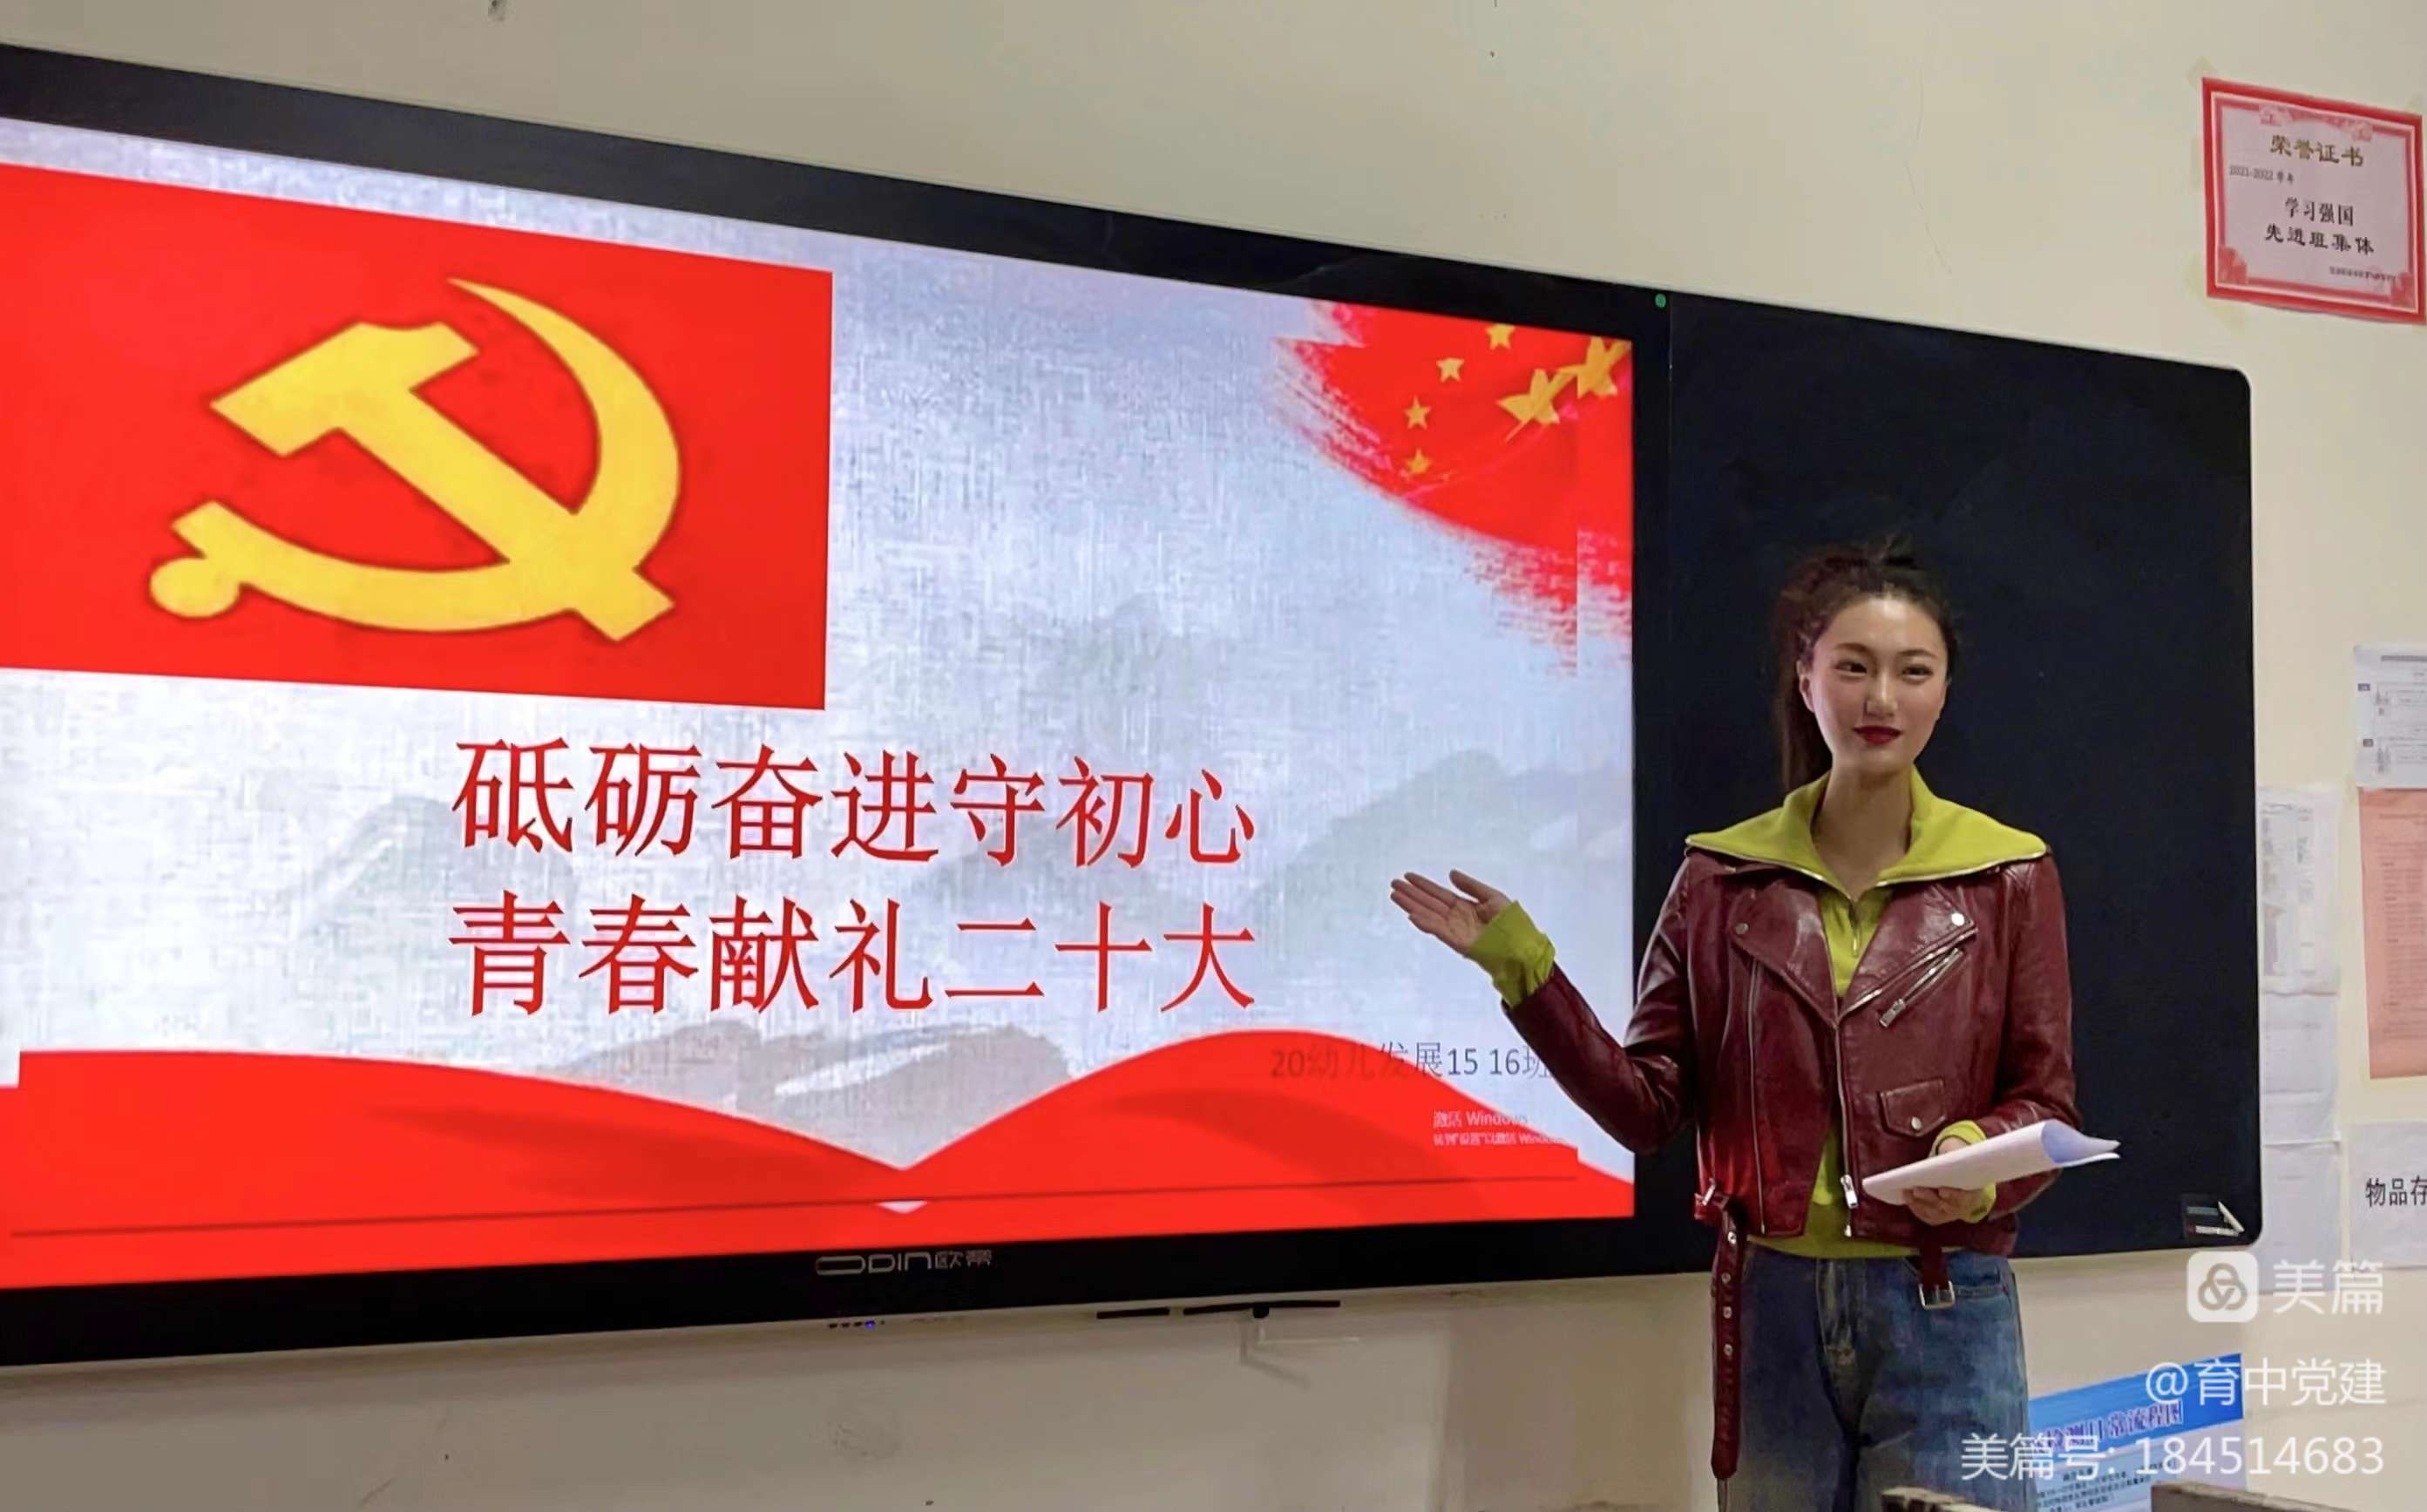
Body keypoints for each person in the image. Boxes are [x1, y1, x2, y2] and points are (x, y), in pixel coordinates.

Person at [1390, 540, 2078, 1511]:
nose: (1881, 696)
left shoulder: (2007, 873)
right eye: (1853, 666)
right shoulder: (1720, 877)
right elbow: (1645, 1108)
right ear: (1806, 677)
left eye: (1912, 671)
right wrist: (1524, 970)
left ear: (1942, 690)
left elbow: (2046, 1103)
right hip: (1769, 1305)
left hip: (1945, 1299)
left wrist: (1975, 1157)